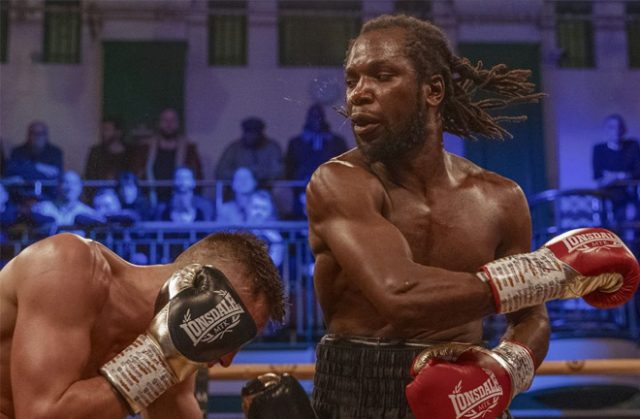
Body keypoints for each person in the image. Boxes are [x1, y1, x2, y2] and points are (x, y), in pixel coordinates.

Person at [305, 15, 639, 419]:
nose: (359, 94)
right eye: (353, 79)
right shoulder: (339, 181)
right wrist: (547, 273)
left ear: (433, 90)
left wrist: (507, 369)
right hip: (356, 393)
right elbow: (400, 295)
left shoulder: (500, 198)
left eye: (383, 75)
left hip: (467, 389)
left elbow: (531, 318)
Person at [0, 230, 285, 418]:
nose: (226, 359)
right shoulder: (67, 266)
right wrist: (156, 363)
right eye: (229, 334)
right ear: (197, 295)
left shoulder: (171, 357)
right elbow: (40, 415)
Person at [285, 104, 348, 218]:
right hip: (303, 187)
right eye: (313, 116)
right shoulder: (296, 142)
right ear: (307, 118)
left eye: (319, 116)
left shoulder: (337, 142)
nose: (316, 120)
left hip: (331, 186)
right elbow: (290, 165)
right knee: (303, 216)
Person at [130, 108, 203, 204]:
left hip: (178, 203)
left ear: (178, 123)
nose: (169, 124)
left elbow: (197, 177)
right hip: (151, 200)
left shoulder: (189, 149)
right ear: (159, 123)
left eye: (173, 120)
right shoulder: (145, 148)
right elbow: (137, 174)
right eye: (165, 120)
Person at [592, 113, 640, 222]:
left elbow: (638, 171)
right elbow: (598, 176)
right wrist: (625, 175)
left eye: (619, 127)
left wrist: (616, 176)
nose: (616, 131)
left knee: (632, 215)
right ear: (605, 130)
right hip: (606, 196)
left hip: (629, 195)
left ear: (624, 130)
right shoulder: (599, 150)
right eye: (612, 127)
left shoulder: (632, 146)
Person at [4, 121, 64, 201]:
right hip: (21, 196)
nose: (37, 137)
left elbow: (56, 174)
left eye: (41, 133)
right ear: (28, 135)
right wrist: (38, 167)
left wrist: (25, 171)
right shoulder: (18, 151)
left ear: (46, 136)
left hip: (47, 196)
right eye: (34, 133)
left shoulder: (55, 152)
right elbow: (10, 170)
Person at [215, 117, 284, 184]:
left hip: (265, 189)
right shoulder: (234, 148)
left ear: (261, 133)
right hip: (238, 189)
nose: (252, 136)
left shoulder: (272, 147)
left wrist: (260, 174)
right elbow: (220, 172)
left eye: (255, 132)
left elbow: (279, 171)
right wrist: (243, 174)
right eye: (249, 132)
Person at [31, 170, 103, 228]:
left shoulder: (88, 213)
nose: (70, 187)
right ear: (58, 186)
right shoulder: (43, 209)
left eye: (74, 183)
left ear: (80, 188)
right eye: (66, 182)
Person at [84, 116, 130, 181]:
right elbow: (89, 176)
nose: (103, 133)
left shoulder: (130, 153)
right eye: (102, 130)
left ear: (118, 132)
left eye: (106, 130)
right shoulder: (96, 152)